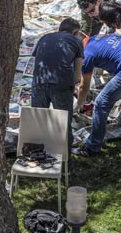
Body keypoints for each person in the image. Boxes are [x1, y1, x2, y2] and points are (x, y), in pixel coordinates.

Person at [31, 18, 84, 163]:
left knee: (38, 120)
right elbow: (78, 74)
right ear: (75, 32)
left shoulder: (45, 38)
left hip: (39, 82)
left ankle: (36, 159)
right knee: (63, 123)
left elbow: (38, 61)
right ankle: (65, 162)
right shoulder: (76, 42)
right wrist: (74, 86)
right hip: (61, 84)